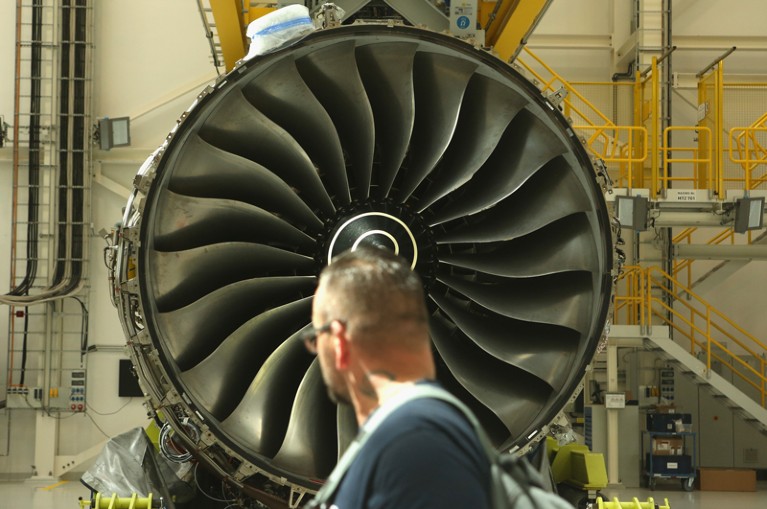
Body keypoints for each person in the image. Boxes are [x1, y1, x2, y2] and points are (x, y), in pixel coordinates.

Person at [304, 246, 491, 509]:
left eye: (316, 336)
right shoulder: (413, 438)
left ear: (339, 342)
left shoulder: (413, 449)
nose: (314, 348)